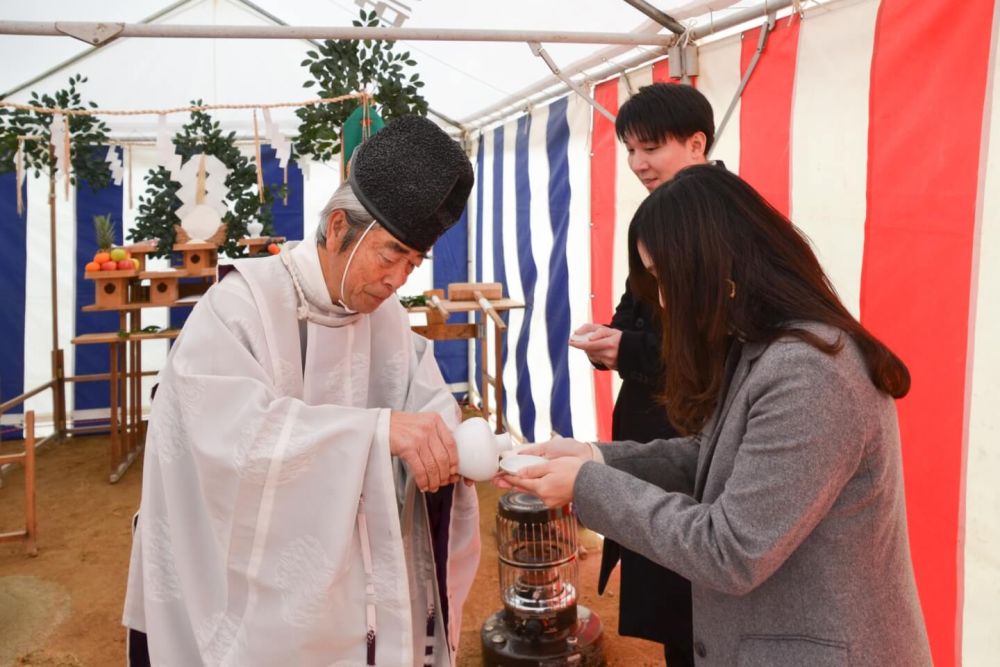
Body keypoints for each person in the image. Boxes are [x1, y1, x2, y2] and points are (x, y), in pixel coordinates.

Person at [504, 165, 932, 665]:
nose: (663, 300)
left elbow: (730, 551)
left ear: (716, 268)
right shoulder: (762, 345)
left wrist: (587, 485)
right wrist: (594, 456)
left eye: (666, 278)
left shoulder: (810, 373)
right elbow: (709, 457)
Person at [123, 115, 481, 666]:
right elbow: (226, 439)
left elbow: (423, 396)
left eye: (413, 264)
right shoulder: (240, 306)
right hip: (239, 580)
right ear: (338, 227)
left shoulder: (382, 316)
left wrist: (447, 441)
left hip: (340, 580)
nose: (397, 281)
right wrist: (376, 432)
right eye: (390, 256)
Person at [569, 82, 714, 666]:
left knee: (697, 604)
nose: (636, 164)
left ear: (697, 143)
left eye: (650, 148)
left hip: (697, 439)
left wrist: (627, 349)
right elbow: (636, 316)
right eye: (629, 149)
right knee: (673, 609)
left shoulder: (721, 220)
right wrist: (610, 340)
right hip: (655, 435)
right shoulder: (657, 214)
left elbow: (714, 349)